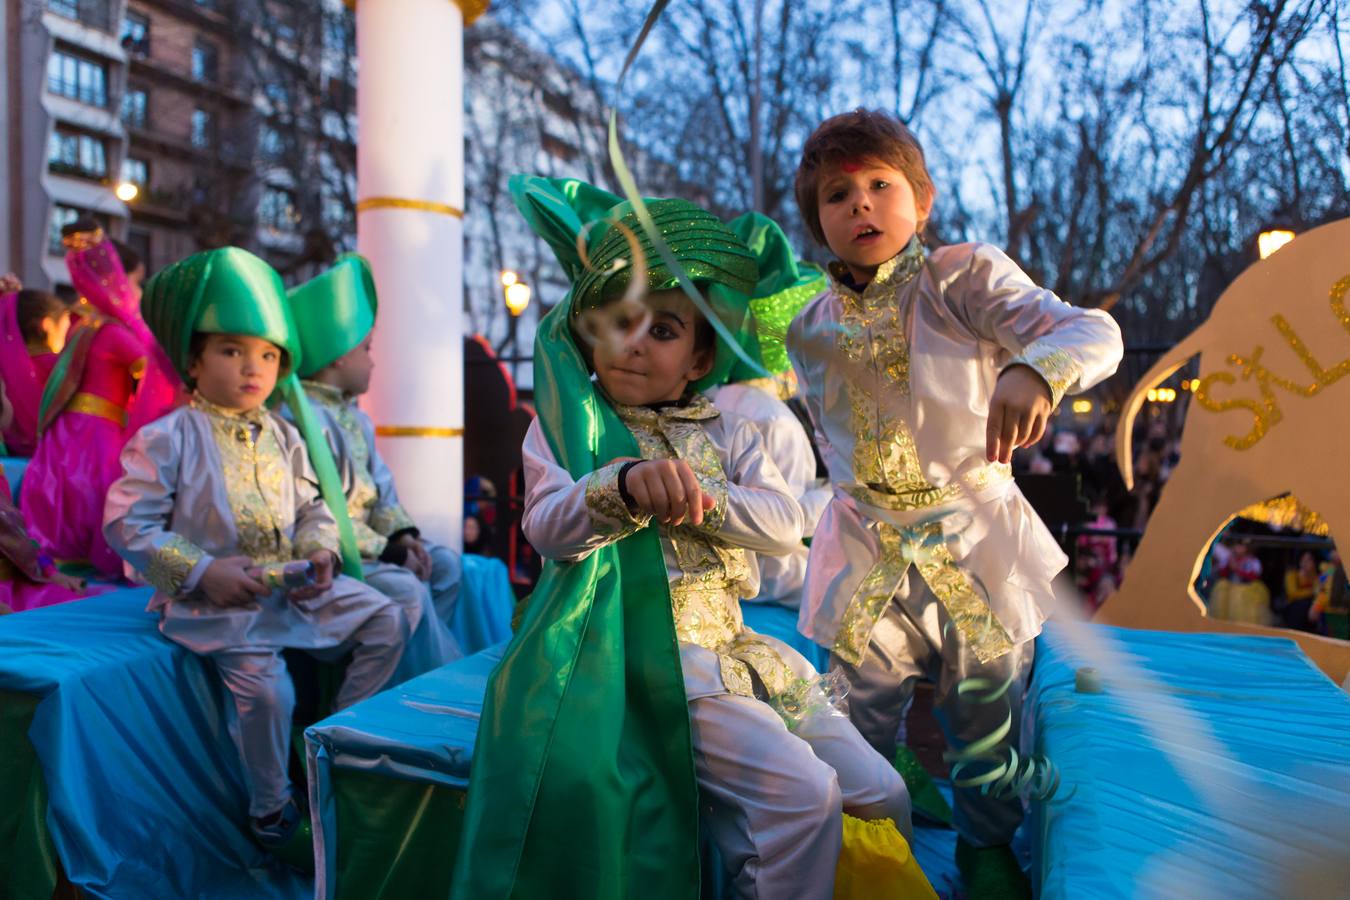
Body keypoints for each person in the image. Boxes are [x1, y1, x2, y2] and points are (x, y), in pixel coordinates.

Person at [453, 177, 926, 900]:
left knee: (884, 792)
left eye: (665, 330)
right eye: (619, 318)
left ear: (700, 360)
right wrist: (620, 484)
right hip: (639, 660)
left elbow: (783, 522)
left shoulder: (730, 424)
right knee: (803, 797)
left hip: (740, 654)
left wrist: (695, 498)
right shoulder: (567, 424)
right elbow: (547, 528)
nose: (635, 344)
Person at [786, 108, 1123, 897]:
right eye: (838, 194)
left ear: (921, 201)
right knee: (848, 721)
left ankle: (986, 848)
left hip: (973, 542)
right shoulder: (809, 325)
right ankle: (870, 855)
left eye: (879, 184)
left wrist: (1035, 369)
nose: (861, 205)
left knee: (986, 713)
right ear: (818, 223)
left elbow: (1092, 332)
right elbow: (829, 445)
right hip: (864, 549)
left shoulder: (959, 278)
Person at [103, 247, 410, 871]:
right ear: (193, 360)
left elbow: (313, 508)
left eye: (267, 355)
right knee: (266, 690)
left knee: (386, 618)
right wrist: (202, 572)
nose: (253, 367)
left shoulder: (285, 435)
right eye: (232, 350)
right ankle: (271, 812)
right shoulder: (168, 437)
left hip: (291, 589)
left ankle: (331, 747)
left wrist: (321, 551)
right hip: (216, 606)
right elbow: (125, 523)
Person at [282, 254, 462, 673]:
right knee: (407, 589)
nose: (373, 360)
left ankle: (417, 672)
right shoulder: (297, 419)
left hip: (375, 544)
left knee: (447, 565)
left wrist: (404, 535)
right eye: (366, 348)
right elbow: (315, 514)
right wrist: (388, 551)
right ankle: (428, 684)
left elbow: (380, 489)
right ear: (339, 354)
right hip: (334, 552)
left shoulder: (355, 417)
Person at [21, 222, 178, 576]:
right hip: (98, 433)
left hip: (68, 429)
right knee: (105, 491)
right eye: (135, 282)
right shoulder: (111, 329)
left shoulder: (80, 323)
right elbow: (153, 370)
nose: (135, 291)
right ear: (117, 279)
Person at [705, 213, 831, 609]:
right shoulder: (772, 421)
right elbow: (776, 541)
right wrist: (836, 499)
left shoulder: (718, 403)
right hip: (770, 598)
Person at [0, 283, 71, 456]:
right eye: (65, 327)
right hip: (57, 459)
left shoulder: (4, 369)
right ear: (46, 325)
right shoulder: (59, 366)